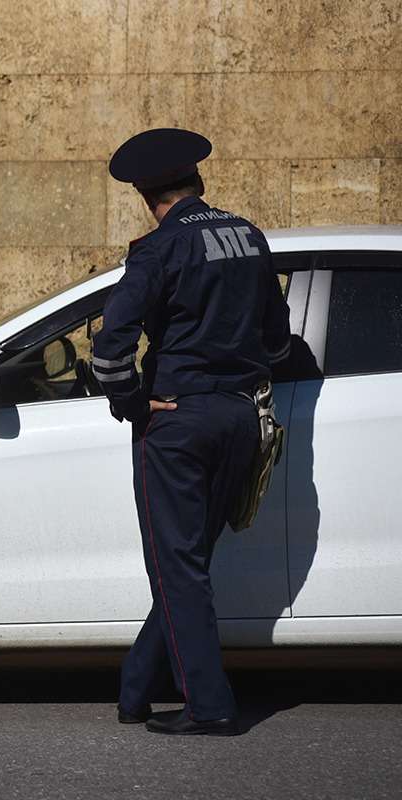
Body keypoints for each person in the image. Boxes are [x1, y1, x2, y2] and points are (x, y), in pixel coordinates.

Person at [94, 129, 291, 736]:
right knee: (189, 563)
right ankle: (134, 690)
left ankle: (209, 705)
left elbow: (109, 350)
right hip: (241, 416)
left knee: (177, 566)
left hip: (177, 421)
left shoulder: (157, 250)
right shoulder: (249, 237)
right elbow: (277, 338)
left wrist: (131, 401)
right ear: (198, 181)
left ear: (145, 194)